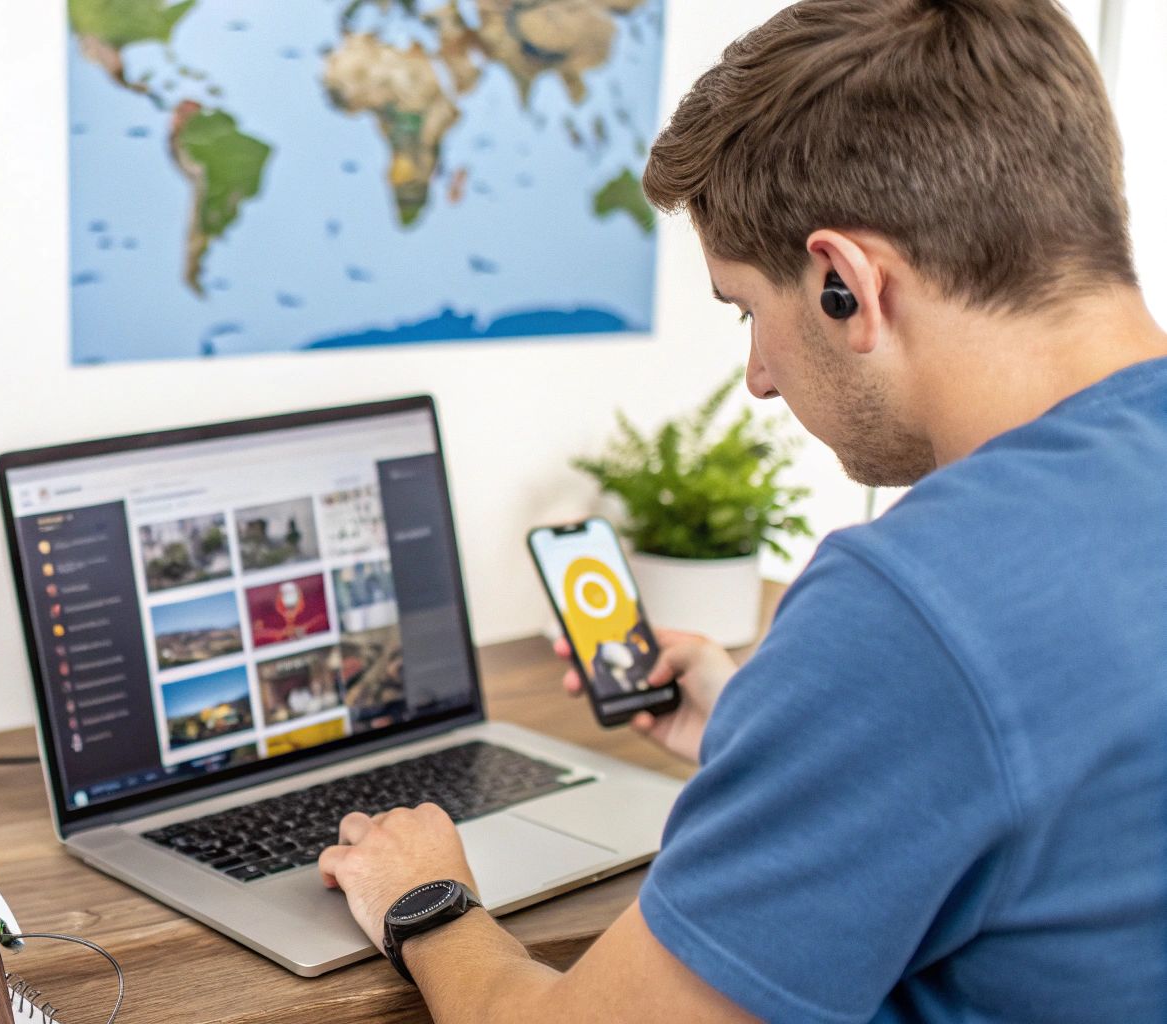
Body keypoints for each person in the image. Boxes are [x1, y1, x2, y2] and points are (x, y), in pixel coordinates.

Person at [315, 0, 1167, 1019]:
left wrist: (424, 901)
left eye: (746, 310)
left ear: (845, 284)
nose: (758, 376)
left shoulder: (916, 603)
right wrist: (783, 736)